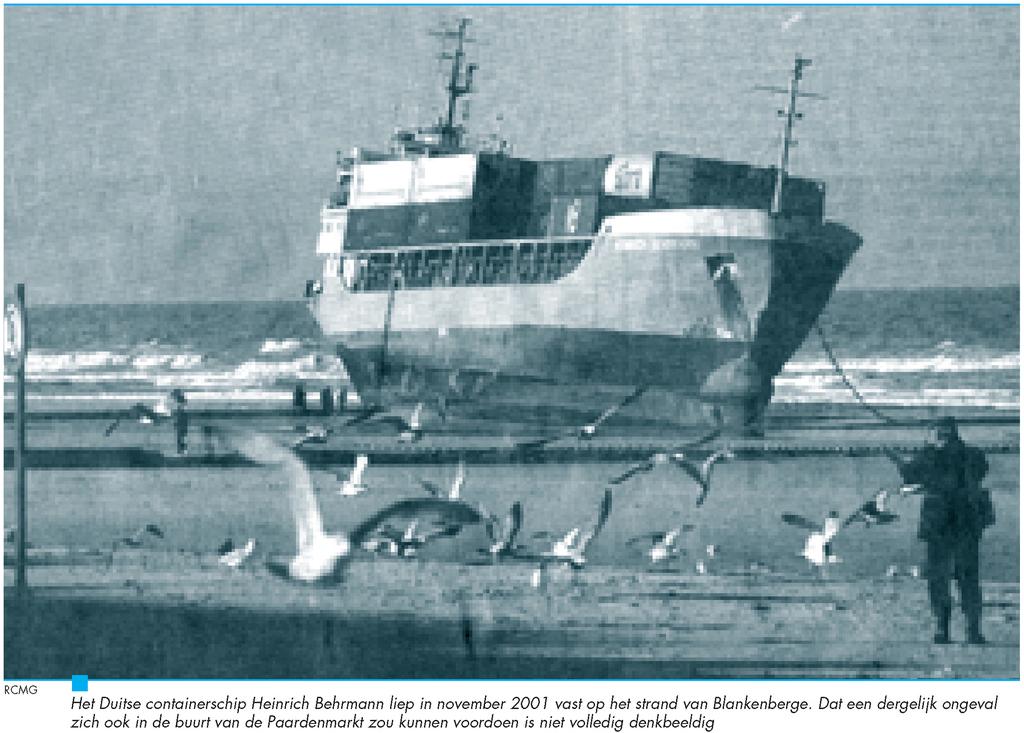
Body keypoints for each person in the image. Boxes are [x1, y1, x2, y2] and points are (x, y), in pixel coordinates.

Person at [894, 416, 994, 644]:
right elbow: (980, 473)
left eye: (934, 434)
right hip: (967, 521)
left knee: (939, 577)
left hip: (938, 522)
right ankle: (973, 630)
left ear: (937, 434)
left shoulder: (929, 456)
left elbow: (911, 475)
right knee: (968, 576)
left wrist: (902, 463)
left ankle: (943, 628)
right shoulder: (974, 454)